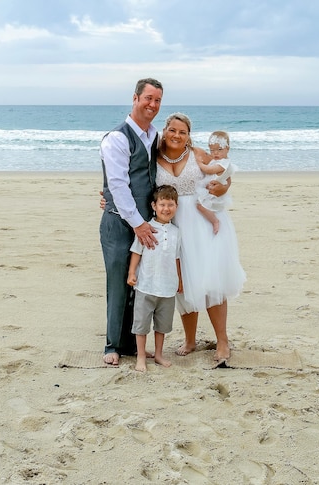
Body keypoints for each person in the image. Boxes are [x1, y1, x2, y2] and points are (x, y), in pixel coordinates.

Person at [155, 113, 246, 362]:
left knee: (210, 281)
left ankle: (223, 341)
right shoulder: (153, 157)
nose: (176, 135)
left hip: (202, 223)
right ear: (165, 131)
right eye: (172, 130)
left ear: (189, 135)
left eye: (182, 132)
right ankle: (190, 339)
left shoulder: (198, 154)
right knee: (182, 283)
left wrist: (225, 188)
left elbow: (222, 175)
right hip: (172, 225)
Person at [99, 78, 163, 366]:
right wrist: (138, 223)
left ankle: (128, 343)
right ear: (135, 98)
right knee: (118, 285)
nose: (152, 105)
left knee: (137, 284)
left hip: (143, 223)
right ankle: (112, 346)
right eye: (148, 98)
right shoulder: (117, 138)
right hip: (118, 223)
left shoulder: (154, 136)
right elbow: (118, 185)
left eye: (158, 100)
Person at [127, 185, 183, 372]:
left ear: (176, 206)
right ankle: (141, 356)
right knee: (141, 324)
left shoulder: (176, 232)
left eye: (171, 204)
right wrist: (132, 273)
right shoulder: (147, 228)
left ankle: (158, 354)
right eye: (162, 204)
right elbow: (137, 252)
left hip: (167, 288)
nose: (166, 209)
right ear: (154, 206)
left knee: (162, 325)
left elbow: (176, 258)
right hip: (146, 285)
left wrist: (179, 281)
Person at [195, 130, 236, 235]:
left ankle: (214, 221)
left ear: (228, 149)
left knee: (200, 206)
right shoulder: (217, 160)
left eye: (219, 149)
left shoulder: (223, 163)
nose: (215, 153)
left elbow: (209, 170)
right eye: (212, 150)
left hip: (212, 192)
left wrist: (199, 163)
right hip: (209, 187)